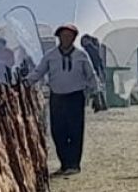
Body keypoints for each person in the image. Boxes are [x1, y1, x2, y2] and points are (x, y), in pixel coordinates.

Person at [28, 23, 101, 175]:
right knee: (58, 131)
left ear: (74, 38)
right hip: (57, 97)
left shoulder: (81, 55)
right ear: (59, 37)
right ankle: (64, 163)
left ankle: (74, 164)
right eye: (63, 36)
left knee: (75, 130)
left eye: (69, 36)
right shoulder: (51, 55)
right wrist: (24, 83)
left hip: (75, 96)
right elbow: (38, 72)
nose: (66, 38)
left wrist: (96, 93)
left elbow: (90, 74)